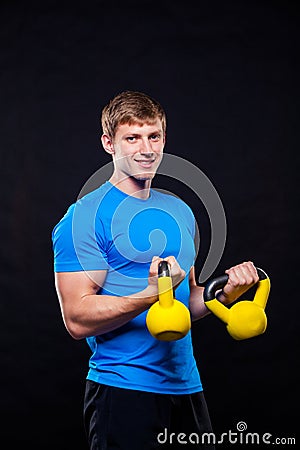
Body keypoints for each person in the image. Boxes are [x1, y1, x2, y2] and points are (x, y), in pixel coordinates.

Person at [52, 90, 259, 449]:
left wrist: (224, 293)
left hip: (187, 388)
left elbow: (186, 304)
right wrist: (150, 294)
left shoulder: (179, 210)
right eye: (131, 138)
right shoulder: (84, 217)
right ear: (108, 143)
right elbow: (76, 318)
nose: (146, 148)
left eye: (154, 136)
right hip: (123, 391)